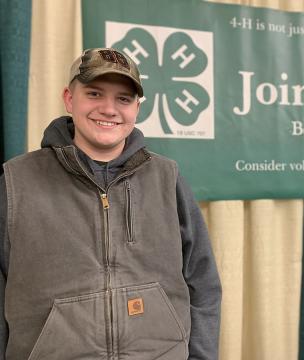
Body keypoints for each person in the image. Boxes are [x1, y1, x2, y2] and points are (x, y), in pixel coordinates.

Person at [0, 48, 221, 359]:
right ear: (69, 98)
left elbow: (202, 280)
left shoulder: (167, 177)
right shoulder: (17, 180)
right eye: (94, 93)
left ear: (136, 108)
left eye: (124, 98)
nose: (109, 109)